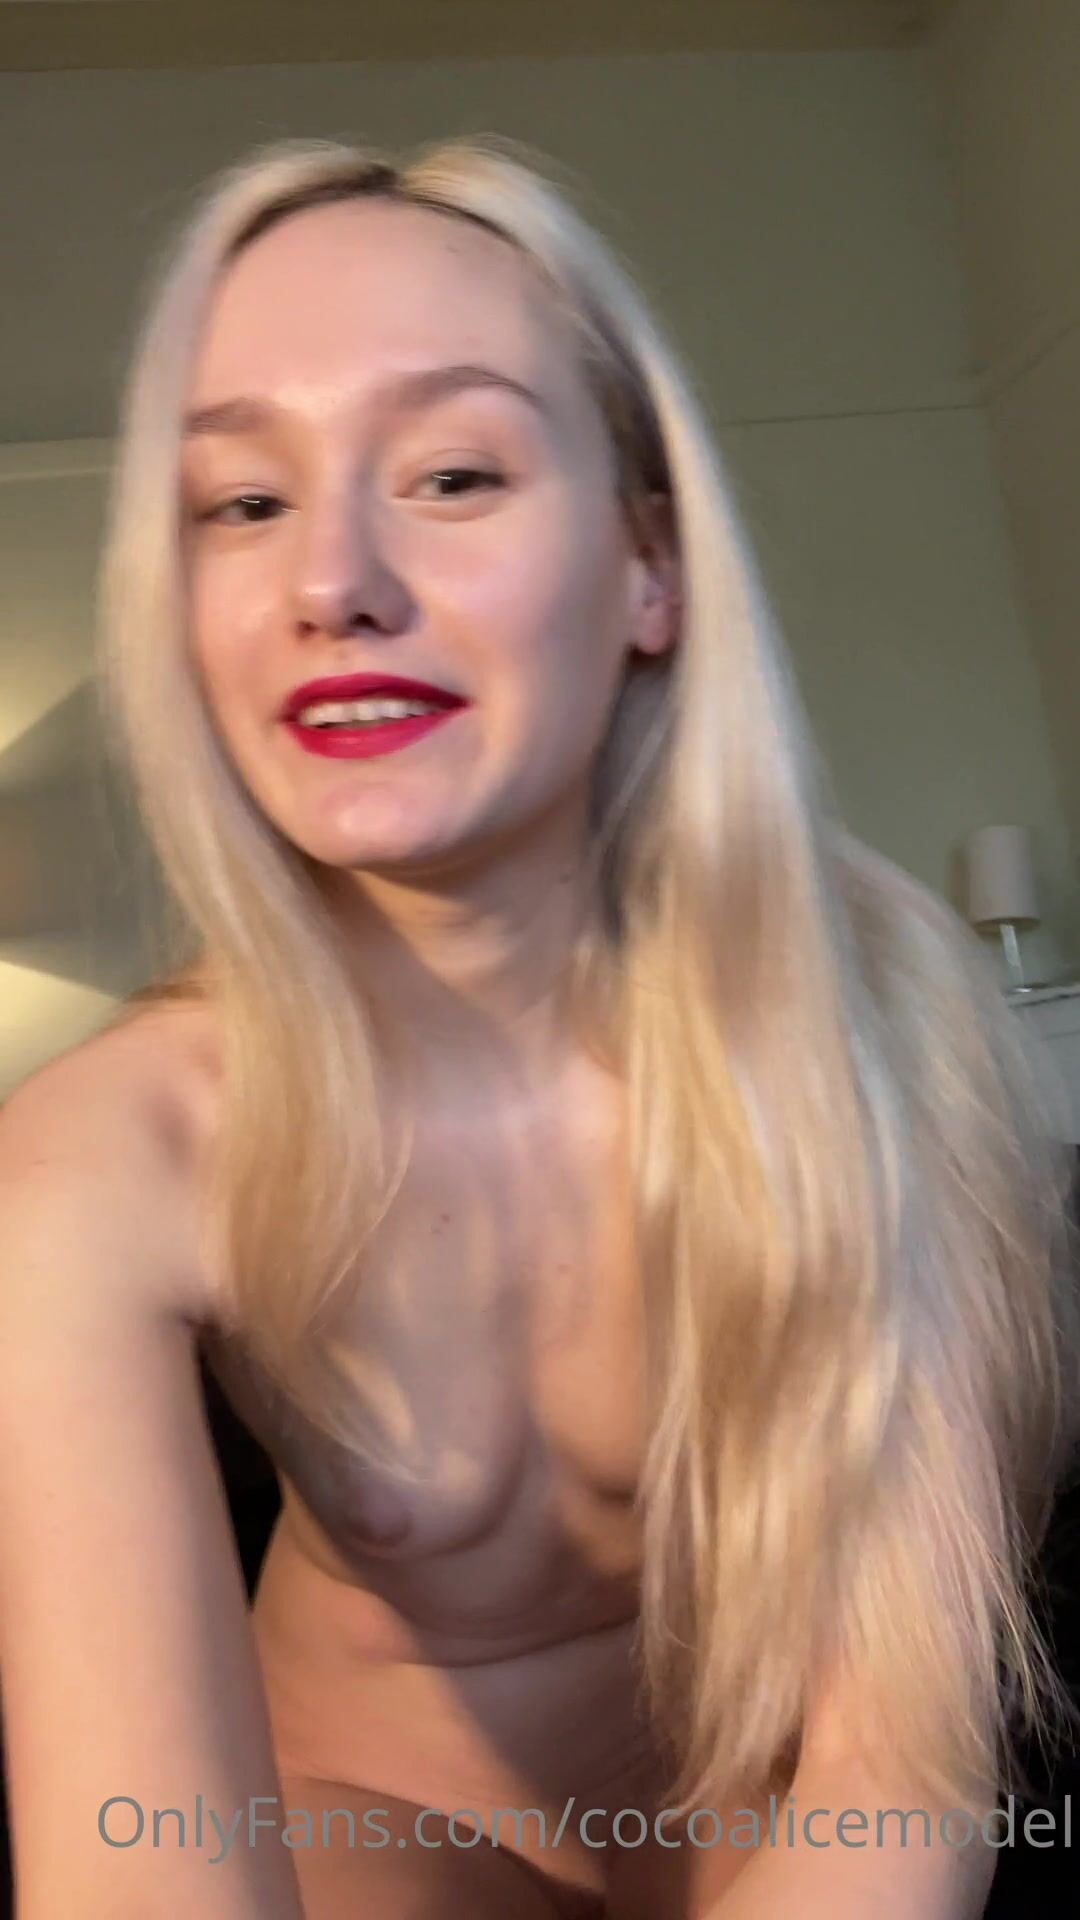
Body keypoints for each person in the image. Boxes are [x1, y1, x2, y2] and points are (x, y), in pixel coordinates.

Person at [0, 132, 1078, 1920]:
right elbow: (144, 1873)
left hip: (747, 1803)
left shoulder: (881, 1009)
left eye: (453, 472)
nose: (333, 579)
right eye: (242, 504)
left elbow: (896, 1776)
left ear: (651, 565)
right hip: (367, 1824)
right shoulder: (99, 1156)